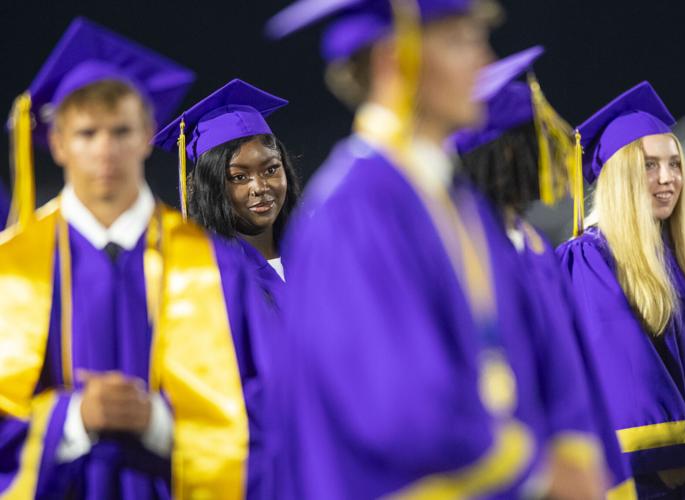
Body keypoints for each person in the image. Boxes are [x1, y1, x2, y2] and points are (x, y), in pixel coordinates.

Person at [266, 1, 607, 498]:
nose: (484, 59)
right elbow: (396, 407)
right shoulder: (353, 213)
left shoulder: (454, 201)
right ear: (392, 61)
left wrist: (573, 448)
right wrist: (538, 470)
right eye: (459, 42)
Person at [0, 17, 277, 499]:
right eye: (88, 134)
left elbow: (273, 406)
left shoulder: (215, 267)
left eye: (121, 130)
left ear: (147, 133)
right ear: (58, 142)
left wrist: (162, 423)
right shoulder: (12, 269)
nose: (105, 150)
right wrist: (72, 421)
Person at [557, 81, 685, 498]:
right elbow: (621, 359)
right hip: (644, 479)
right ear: (619, 177)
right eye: (649, 165)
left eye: (674, 164)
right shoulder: (591, 261)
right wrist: (664, 455)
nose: (667, 178)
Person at [453, 46, 635, 498]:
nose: (553, 151)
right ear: (508, 155)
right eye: (538, 139)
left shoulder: (532, 245)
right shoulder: (461, 252)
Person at [154, 78, 301, 305]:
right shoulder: (206, 277)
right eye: (239, 177)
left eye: (271, 169)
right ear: (210, 187)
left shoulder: (319, 250)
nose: (260, 187)